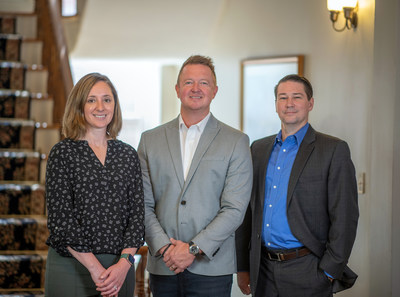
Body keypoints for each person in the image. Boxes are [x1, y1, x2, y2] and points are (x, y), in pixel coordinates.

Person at [137, 55, 253, 297]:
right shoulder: (150, 140)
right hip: (164, 265)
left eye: (204, 83)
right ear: (178, 89)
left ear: (215, 91)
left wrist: (192, 249)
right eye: (189, 82)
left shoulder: (236, 141)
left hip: (212, 268)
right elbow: (143, 204)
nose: (196, 89)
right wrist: (166, 248)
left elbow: (234, 209)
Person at [236, 74, 359, 297]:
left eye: (297, 97)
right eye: (283, 97)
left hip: (308, 269)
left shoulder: (332, 150)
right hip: (262, 270)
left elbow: (345, 216)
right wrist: (244, 266)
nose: (289, 104)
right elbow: (247, 212)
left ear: (310, 103)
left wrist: (330, 271)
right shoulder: (258, 149)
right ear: (276, 105)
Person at [44, 73, 145, 297]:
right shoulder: (62, 153)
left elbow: (137, 216)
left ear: (114, 106)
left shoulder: (127, 154)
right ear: (79, 105)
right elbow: (61, 220)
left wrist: (124, 265)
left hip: (120, 269)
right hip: (71, 266)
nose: (100, 107)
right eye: (91, 100)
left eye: (107, 99)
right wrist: (95, 269)